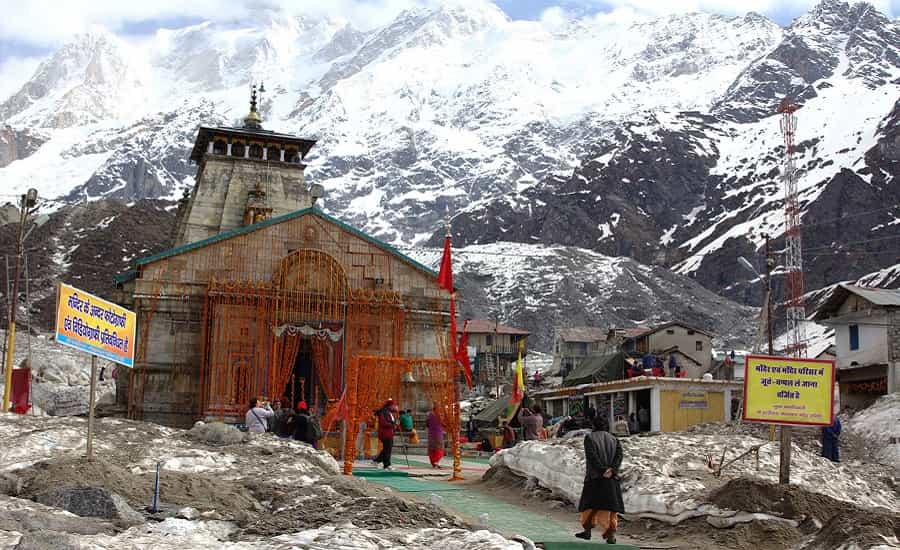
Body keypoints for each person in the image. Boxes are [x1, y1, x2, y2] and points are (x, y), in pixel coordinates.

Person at [575, 416, 624, 543]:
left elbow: (592, 457)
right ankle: (610, 534)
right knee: (610, 508)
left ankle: (587, 531)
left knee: (590, 506)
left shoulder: (590, 438)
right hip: (611, 479)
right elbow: (619, 456)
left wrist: (602, 470)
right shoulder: (614, 439)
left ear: (594, 426)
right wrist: (612, 470)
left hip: (594, 478)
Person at [373, 399, 398, 469]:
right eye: (393, 405)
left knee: (387, 449)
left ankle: (378, 461)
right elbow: (383, 423)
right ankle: (386, 464)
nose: (394, 407)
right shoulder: (383, 412)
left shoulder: (389, 412)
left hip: (389, 433)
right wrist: (393, 425)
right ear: (390, 406)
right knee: (387, 449)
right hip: (385, 433)